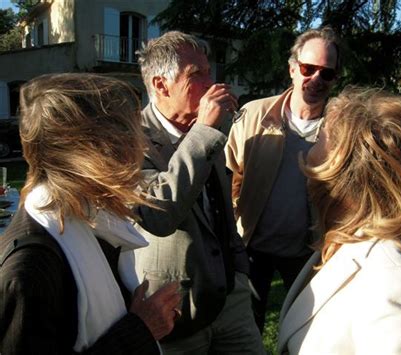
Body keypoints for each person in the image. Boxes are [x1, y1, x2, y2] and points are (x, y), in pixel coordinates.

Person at [278, 86, 401, 354]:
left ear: (339, 164)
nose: (310, 150)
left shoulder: (395, 279)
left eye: (320, 138)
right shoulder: (343, 243)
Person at [0, 73, 182, 354]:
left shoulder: (91, 219)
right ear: (95, 149)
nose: (140, 146)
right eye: (130, 132)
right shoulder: (30, 268)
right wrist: (142, 329)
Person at [133, 31, 264, 354]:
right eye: (197, 75)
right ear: (161, 85)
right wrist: (205, 131)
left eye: (209, 71)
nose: (212, 84)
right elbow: (158, 214)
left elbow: (220, 204)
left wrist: (240, 271)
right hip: (173, 309)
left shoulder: (206, 128)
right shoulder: (130, 139)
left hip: (229, 297)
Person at [225, 26, 341, 332]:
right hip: (251, 249)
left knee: (307, 333)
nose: (316, 78)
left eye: (326, 73)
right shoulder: (253, 115)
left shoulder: (342, 131)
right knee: (248, 333)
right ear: (292, 69)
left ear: (334, 79)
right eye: (308, 68)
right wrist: (234, 226)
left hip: (309, 254)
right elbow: (229, 175)